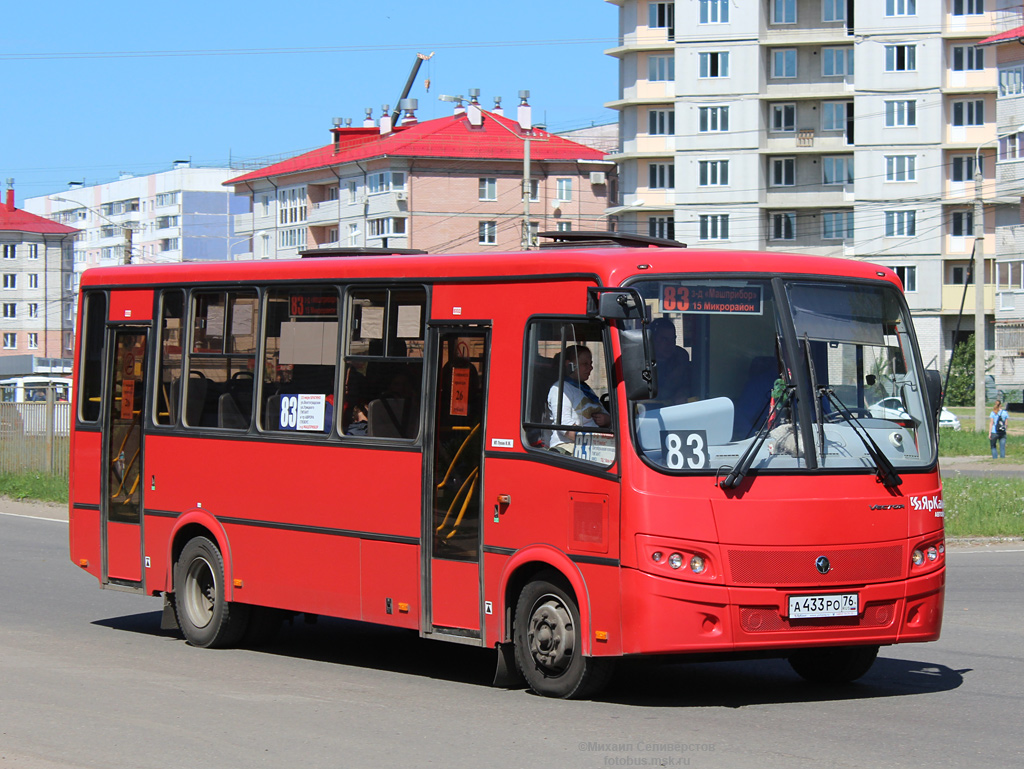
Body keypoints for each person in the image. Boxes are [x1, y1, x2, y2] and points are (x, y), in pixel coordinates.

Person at [546, 345, 611, 453]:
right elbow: (564, 426)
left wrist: (606, 420)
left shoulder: (586, 389)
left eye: (591, 364)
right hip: (569, 446)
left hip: (594, 444)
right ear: (569, 365)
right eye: (585, 364)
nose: (590, 368)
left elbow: (606, 415)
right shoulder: (560, 389)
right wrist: (595, 441)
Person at [650, 317, 691, 403]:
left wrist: (682, 393)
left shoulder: (680, 358)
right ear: (652, 339)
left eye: (673, 339)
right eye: (664, 339)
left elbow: (691, 384)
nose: (670, 344)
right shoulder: (641, 361)